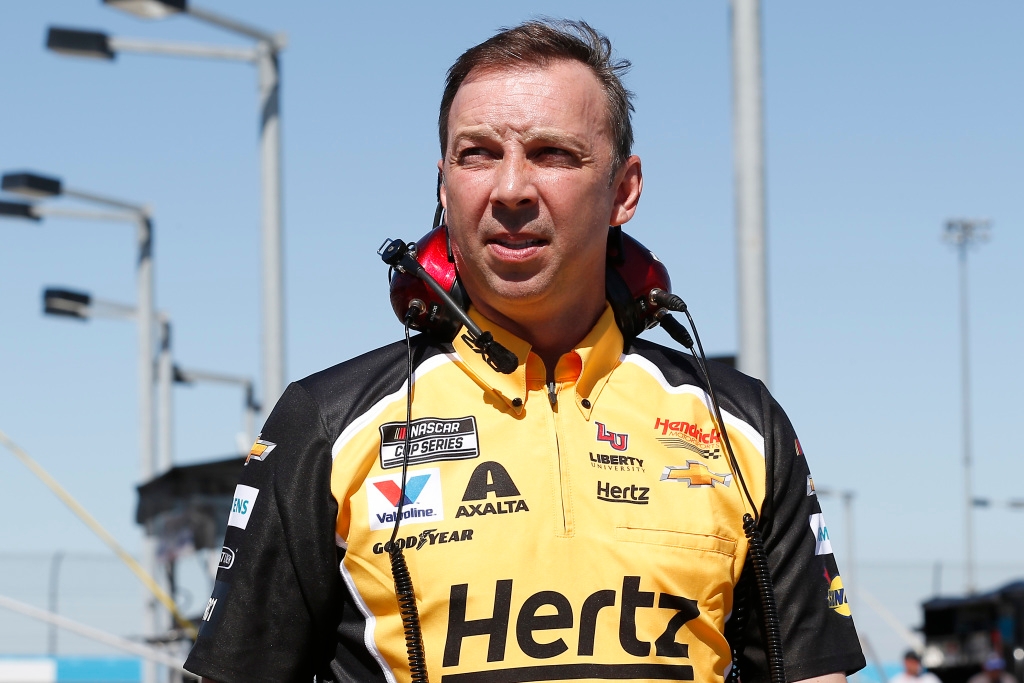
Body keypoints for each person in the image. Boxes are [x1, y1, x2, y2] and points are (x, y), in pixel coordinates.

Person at [184, 19, 866, 683]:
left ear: (623, 191)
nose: (510, 189)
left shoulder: (741, 425)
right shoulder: (326, 422)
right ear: (444, 185)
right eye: (478, 153)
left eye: (552, 154)